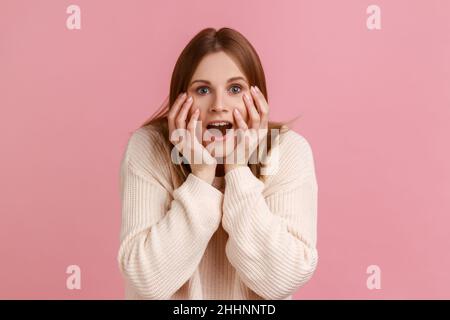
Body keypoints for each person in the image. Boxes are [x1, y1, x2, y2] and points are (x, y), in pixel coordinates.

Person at [117, 27, 319, 300]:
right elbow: (148, 280)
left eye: (235, 88)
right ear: (180, 100)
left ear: (258, 98)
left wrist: (237, 168)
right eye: (202, 90)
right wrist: (201, 176)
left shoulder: (288, 151)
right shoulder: (150, 148)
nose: (219, 105)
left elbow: (282, 279)